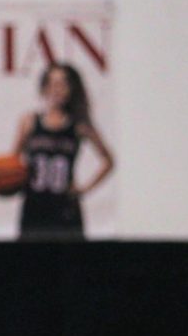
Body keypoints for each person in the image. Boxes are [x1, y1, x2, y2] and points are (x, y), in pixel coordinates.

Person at [14, 62, 114, 240]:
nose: (56, 89)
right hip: (34, 205)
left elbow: (108, 160)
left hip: (65, 208)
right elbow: (13, 160)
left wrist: (85, 188)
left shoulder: (79, 125)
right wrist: (9, 179)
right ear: (43, 88)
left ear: (71, 89)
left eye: (62, 84)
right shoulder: (29, 121)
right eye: (51, 84)